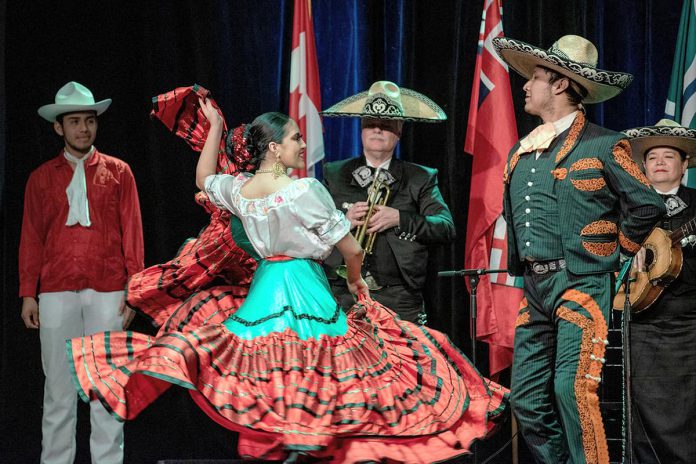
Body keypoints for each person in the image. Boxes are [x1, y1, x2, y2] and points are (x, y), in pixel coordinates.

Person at [66, 88, 507, 464]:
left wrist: (215, 126)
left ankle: (285, 440)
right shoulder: (306, 189)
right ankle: (316, 439)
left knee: (270, 375)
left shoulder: (238, 189)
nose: (302, 144)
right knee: (331, 374)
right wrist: (355, 279)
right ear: (274, 148)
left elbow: (203, 176)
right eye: (295, 138)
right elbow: (350, 248)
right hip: (305, 289)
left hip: (264, 292)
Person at [491, 35, 666, 463]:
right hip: (535, 287)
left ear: (561, 85)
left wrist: (618, 251)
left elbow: (647, 204)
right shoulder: (522, 151)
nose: (526, 86)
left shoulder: (604, 143)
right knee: (527, 401)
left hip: (582, 281)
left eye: (535, 78)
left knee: (571, 389)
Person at [19, 81, 144, 464]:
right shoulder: (41, 178)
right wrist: (28, 292)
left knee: (107, 387)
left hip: (108, 291)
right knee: (57, 391)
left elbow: (132, 233)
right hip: (56, 291)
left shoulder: (119, 172)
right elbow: (31, 238)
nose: (83, 129)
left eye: (88, 120)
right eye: (74, 121)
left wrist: (134, 289)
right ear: (59, 127)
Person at [321, 81, 455, 324]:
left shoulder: (421, 177)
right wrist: (344, 221)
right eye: (370, 123)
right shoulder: (334, 172)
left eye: (385, 125)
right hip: (342, 291)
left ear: (399, 130)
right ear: (361, 129)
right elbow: (311, 229)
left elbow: (445, 227)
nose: (377, 130)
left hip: (399, 295)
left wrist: (400, 218)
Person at [622, 119, 696, 463]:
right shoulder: (628, 208)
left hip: (688, 322)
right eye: (653, 157)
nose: (660, 162)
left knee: (688, 402)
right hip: (641, 322)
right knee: (643, 400)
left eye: (669, 156)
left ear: (684, 165)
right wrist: (626, 249)